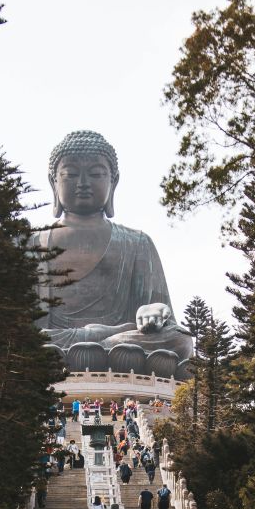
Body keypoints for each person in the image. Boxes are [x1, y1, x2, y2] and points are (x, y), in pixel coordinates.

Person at [30, 130, 192, 377]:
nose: (83, 183)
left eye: (95, 174)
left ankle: (97, 349)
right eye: (71, 174)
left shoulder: (137, 242)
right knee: (13, 342)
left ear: (113, 182)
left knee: (179, 340)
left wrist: (154, 311)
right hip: (51, 343)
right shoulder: (29, 243)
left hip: (120, 343)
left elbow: (164, 322)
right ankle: (95, 349)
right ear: (54, 182)